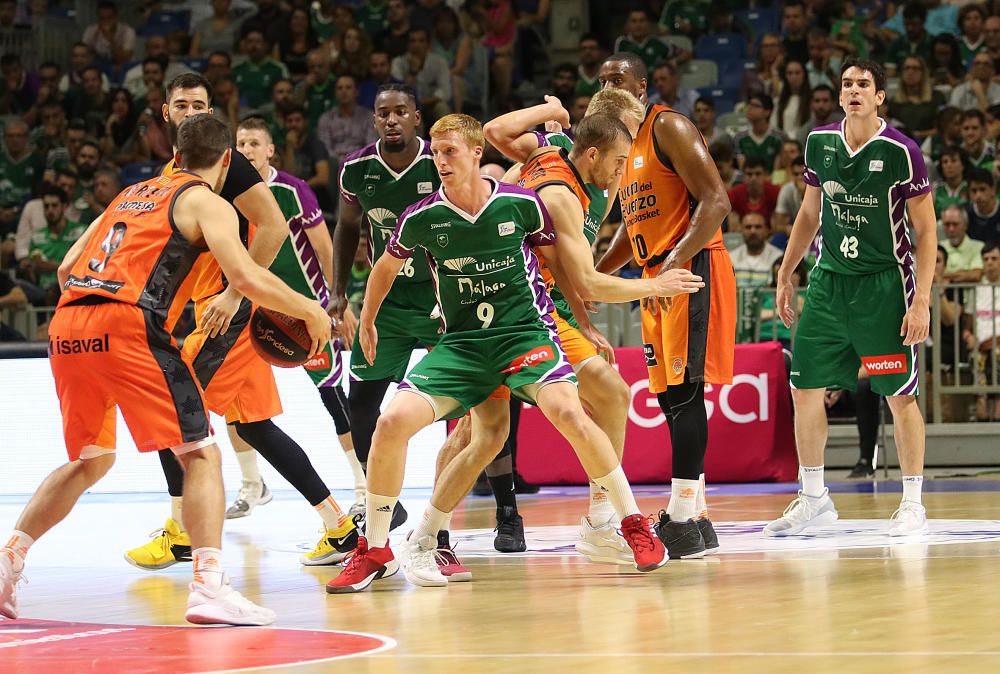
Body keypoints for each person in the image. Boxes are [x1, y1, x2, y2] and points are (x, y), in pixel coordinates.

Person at [0, 113, 332, 625]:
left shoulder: (131, 193)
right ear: (228, 159)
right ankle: (208, 586)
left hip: (67, 326)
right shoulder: (207, 201)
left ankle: (9, 559)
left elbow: (67, 267)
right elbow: (244, 274)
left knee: (92, 459)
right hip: (129, 324)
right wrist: (309, 309)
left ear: (176, 153)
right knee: (201, 454)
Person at [326, 114, 672, 594]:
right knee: (396, 423)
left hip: (524, 335)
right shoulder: (422, 215)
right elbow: (385, 266)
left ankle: (631, 522)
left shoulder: (523, 204)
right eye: (436, 153)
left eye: (450, 152)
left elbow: (565, 272)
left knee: (568, 411)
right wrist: (366, 318)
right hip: (463, 346)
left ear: (474, 154)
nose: (441, 161)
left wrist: (586, 323)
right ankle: (379, 549)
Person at [123, 74, 358, 571]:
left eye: (200, 106)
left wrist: (233, 294)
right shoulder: (173, 171)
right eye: (182, 105)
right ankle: (339, 527)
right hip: (212, 307)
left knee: (173, 411)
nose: (191, 113)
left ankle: (180, 532)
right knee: (255, 428)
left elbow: (273, 227)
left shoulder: (227, 168)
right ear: (166, 112)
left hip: (231, 309)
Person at [485, 88, 679, 563]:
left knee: (611, 394)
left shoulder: (600, 175)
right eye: (629, 138)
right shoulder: (557, 179)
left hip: (548, 299)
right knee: (481, 432)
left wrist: (582, 319)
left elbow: (570, 269)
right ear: (600, 139)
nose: (634, 152)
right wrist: (655, 285)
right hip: (510, 305)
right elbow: (494, 131)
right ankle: (429, 534)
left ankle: (600, 520)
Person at [766, 58, 937, 539]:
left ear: (880, 96)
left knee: (900, 397)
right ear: (840, 96)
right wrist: (786, 272)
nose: (854, 90)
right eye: (847, 84)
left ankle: (911, 502)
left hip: (885, 284)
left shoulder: (903, 152)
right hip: (828, 280)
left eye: (864, 84)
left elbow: (926, 232)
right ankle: (815, 498)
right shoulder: (819, 142)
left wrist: (920, 298)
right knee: (804, 388)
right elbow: (809, 211)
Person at [596, 51, 735, 558]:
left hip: (690, 269)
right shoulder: (619, 146)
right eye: (603, 79)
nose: (610, 84)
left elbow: (716, 200)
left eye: (619, 78)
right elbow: (630, 233)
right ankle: (696, 517)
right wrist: (589, 275)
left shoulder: (668, 127)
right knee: (670, 398)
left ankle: (679, 518)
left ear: (642, 85)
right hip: (657, 276)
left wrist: (677, 260)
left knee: (684, 395)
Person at [232, 116, 364, 518]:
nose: (247, 150)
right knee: (234, 397)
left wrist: (335, 301)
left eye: (255, 143)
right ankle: (252, 484)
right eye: (240, 144)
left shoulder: (292, 189)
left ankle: (363, 485)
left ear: (271, 150)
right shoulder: (223, 193)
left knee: (332, 396)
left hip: (305, 312)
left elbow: (325, 249)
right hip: (255, 310)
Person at [331, 84, 443, 536]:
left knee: (469, 407)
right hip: (386, 303)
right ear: (374, 120)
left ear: (418, 117)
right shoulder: (357, 169)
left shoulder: (440, 161)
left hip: (442, 299)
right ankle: (380, 498)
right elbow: (346, 227)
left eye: (401, 111)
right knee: (361, 403)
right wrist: (338, 292)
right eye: (384, 113)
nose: (392, 119)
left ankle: (499, 504)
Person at [316, 74, 377, 169]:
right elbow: (325, 148)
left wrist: (354, 161)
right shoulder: (325, 118)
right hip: (334, 166)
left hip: (361, 164)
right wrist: (342, 163)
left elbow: (370, 145)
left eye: (348, 88)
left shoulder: (369, 116)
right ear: (335, 92)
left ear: (356, 92)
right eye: (339, 88)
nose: (343, 91)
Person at [729, 211, 783, 288]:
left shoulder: (778, 258)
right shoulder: (731, 258)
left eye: (758, 227)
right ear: (741, 230)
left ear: (766, 230)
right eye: (748, 227)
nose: (753, 231)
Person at [733, 94, 785, 171]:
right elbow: (742, 169)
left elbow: (778, 170)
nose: (750, 108)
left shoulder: (780, 137)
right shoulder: (739, 137)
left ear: (767, 112)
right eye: (749, 105)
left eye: (756, 105)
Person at [727, 157, 780, 231]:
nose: (753, 178)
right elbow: (733, 229)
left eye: (758, 174)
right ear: (743, 176)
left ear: (765, 175)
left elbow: (776, 227)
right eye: (749, 174)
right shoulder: (734, 194)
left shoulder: (776, 193)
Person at [941, 204, 984, 282]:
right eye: (947, 224)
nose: (951, 229)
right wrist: (964, 274)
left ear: (966, 225)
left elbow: (975, 275)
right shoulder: (937, 247)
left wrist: (944, 277)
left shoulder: (979, 247)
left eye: (955, 224)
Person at [933, 146, 969, 217]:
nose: (949, 165)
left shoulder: (970, 187)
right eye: (945, 162)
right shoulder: (935, 189)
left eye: (953, 161)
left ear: (963, 165)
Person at [966, 168, 1000, 242]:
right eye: (974, 190)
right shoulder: (965, 214)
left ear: (993, 190)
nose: (978, 195)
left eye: (982, 189)